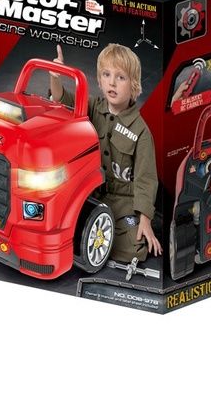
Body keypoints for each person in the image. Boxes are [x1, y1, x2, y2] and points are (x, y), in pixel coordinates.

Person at [49, 44, 162, 263]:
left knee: (134, 249)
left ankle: (91, 238)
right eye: (106, 74)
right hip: (88, 193)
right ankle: (85, 237)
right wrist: (55, 77)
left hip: (122, 201)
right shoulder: (92, 106)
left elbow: (146, 180)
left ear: (134, 84)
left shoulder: (141, 131)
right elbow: (62, 99)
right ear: (100, 80)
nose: (112, 82)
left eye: (121, 77)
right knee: (62, 225)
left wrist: (145, 220)